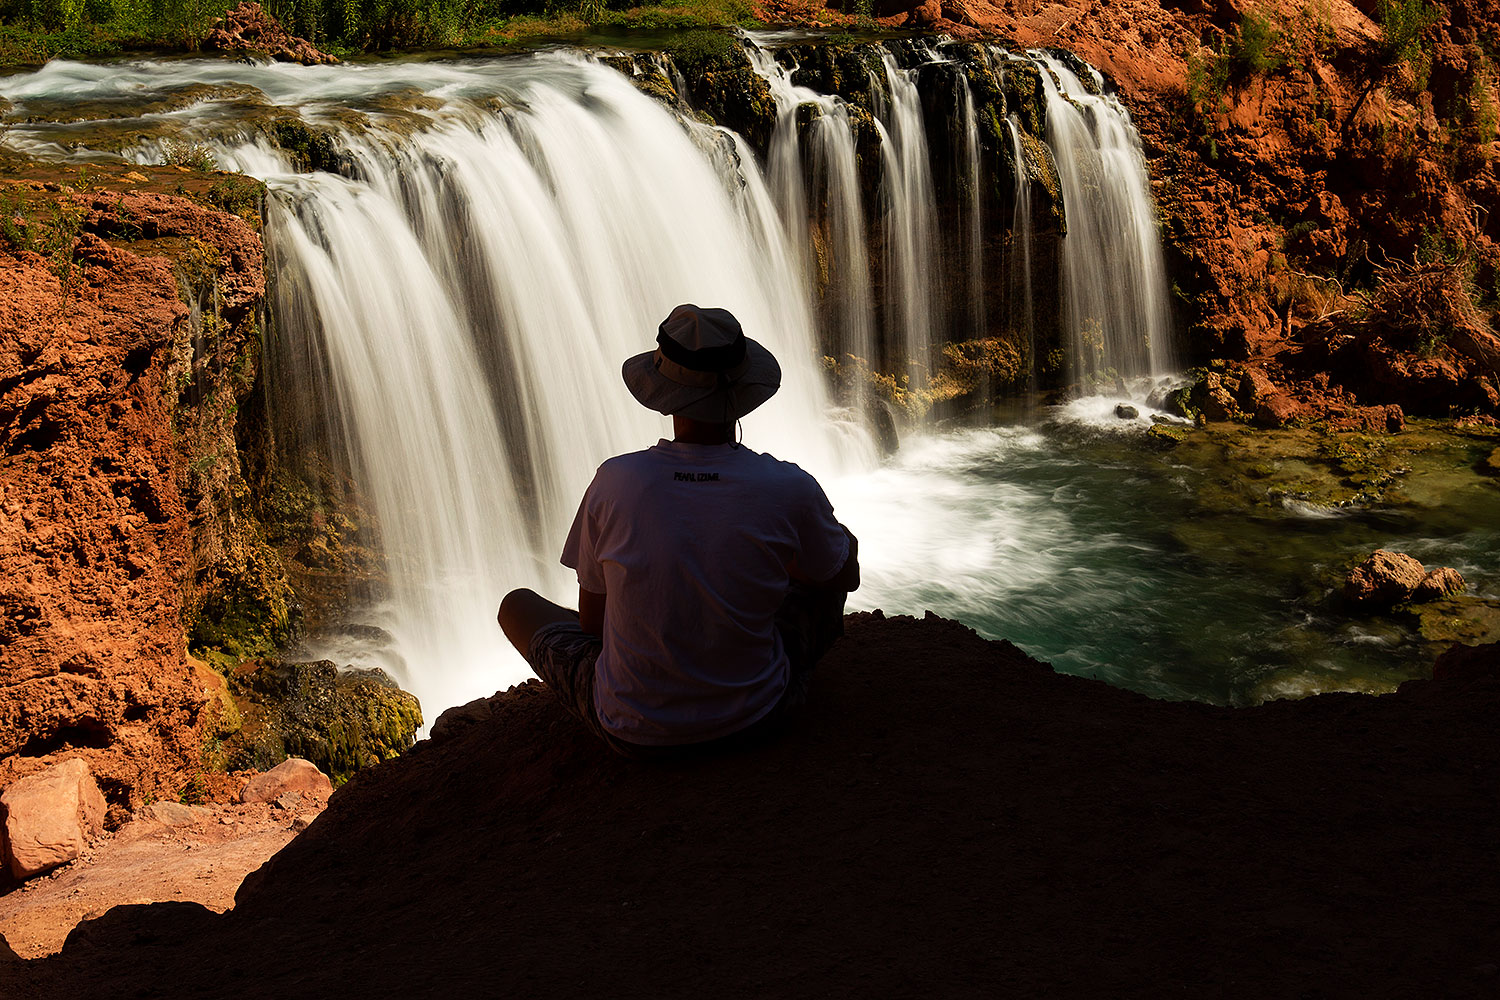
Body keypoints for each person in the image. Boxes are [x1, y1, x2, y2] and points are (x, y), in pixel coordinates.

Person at [497, 303, 859, 758]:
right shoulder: (788, 487)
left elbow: (593, 625)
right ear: (743, 389)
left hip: (629, 731)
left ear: (662, 390)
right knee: (837, 550)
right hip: (759, 718)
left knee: (517, 607)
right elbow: (841, 578)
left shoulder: (615, 481)